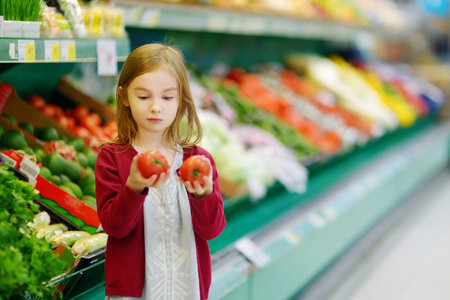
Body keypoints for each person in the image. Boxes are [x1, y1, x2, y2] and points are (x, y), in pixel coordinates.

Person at [95, 43, 226, 300]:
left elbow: (212, 230)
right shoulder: (113, 157)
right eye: (143, 97)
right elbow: (114, 227)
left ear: (181, 99)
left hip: (187, 288)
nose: (156, 107)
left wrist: (204, 194)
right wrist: (133, 186)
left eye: (167, 97)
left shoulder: (199, 160)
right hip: (133, 294)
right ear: (124, 96)